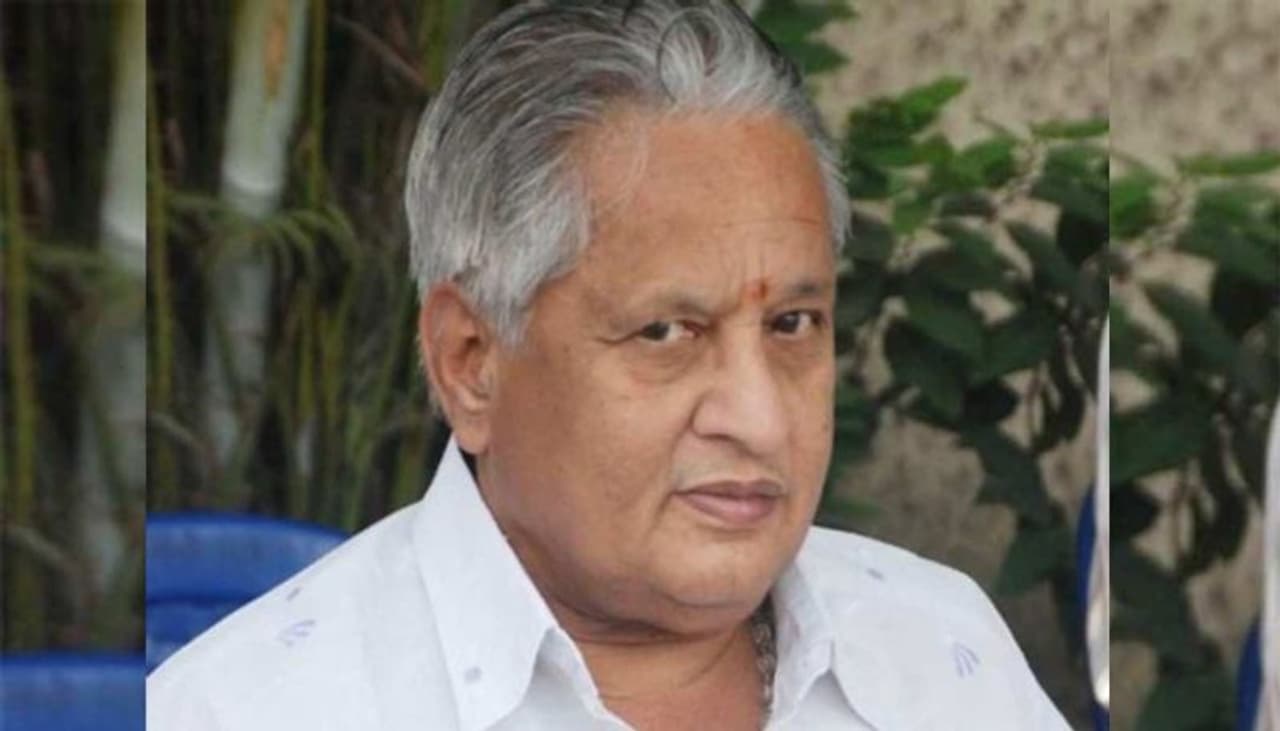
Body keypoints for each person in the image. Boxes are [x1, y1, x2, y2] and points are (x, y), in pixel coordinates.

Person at [148, 2, 1072, 728]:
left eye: (793, 323)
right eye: (666, 333)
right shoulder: (250, 709)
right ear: (470, 362)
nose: (760, 419)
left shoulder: (942, 652)